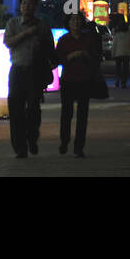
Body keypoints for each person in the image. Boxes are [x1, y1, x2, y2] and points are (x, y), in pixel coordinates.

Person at [4, 0, 54, 158]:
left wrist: (41, 44)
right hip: (18, 71)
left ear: (35, 7)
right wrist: (26, 34)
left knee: (34, 109)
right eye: (24, 3)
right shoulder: (13, 23)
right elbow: (8, 42)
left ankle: (32, 138)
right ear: (20, 6)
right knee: (16, 110)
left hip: (35, 72)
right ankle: (20, 148)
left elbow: (50, 48)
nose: (27, 6)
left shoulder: (43, 25)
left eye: (31, 3)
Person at [55, 13, 101, 158]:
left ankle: (79, 147)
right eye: (73, 20)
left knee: (82, 115)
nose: (76, 23)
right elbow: (58, 59)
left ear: (82, 22)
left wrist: (86, 56)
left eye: (78, 20)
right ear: (68, 23)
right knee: (66, 113)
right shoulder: (63, 40)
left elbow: (96, 57)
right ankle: (64, 141)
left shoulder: (89, 39)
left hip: (85, 80)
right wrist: (70, 56)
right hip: (68, 80)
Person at [111, 17, 130, 88]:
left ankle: (117, 80)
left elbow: (114, 46)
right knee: (125, 69)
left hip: (118, 54)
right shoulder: (128, 36)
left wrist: (112, 54)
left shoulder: (117, 36)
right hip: (126, 54)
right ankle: (123, 82)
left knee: (118, 68)